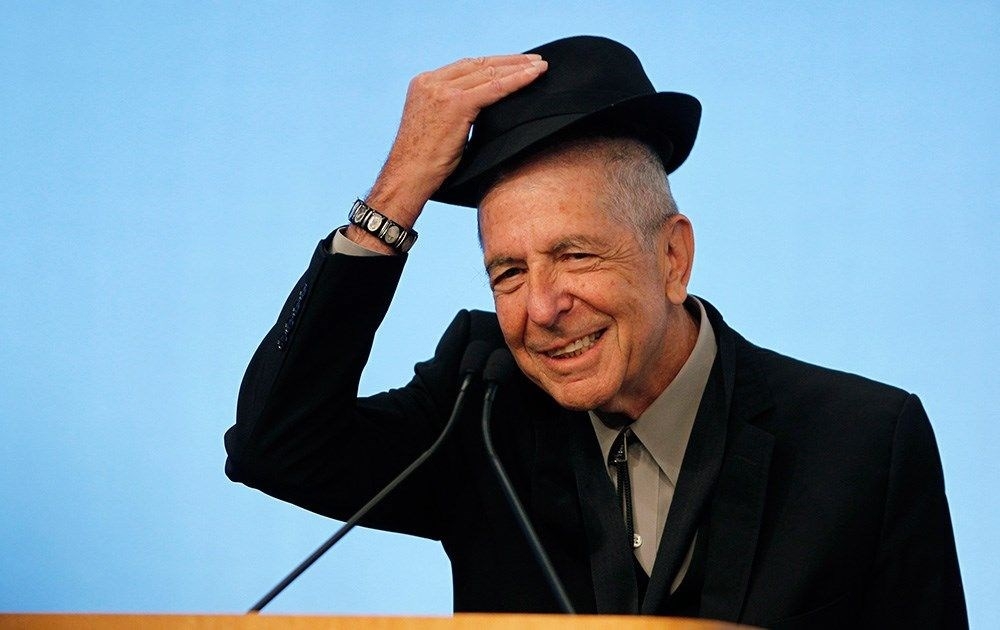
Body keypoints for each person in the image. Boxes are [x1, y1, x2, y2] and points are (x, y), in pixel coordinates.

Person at [225, 36, 966, 627]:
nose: (543, 307)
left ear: (672, 258)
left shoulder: (865, 440)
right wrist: (394, 197)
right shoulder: (477, 407)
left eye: (576, 255)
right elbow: (276, 447)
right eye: (508, 272)